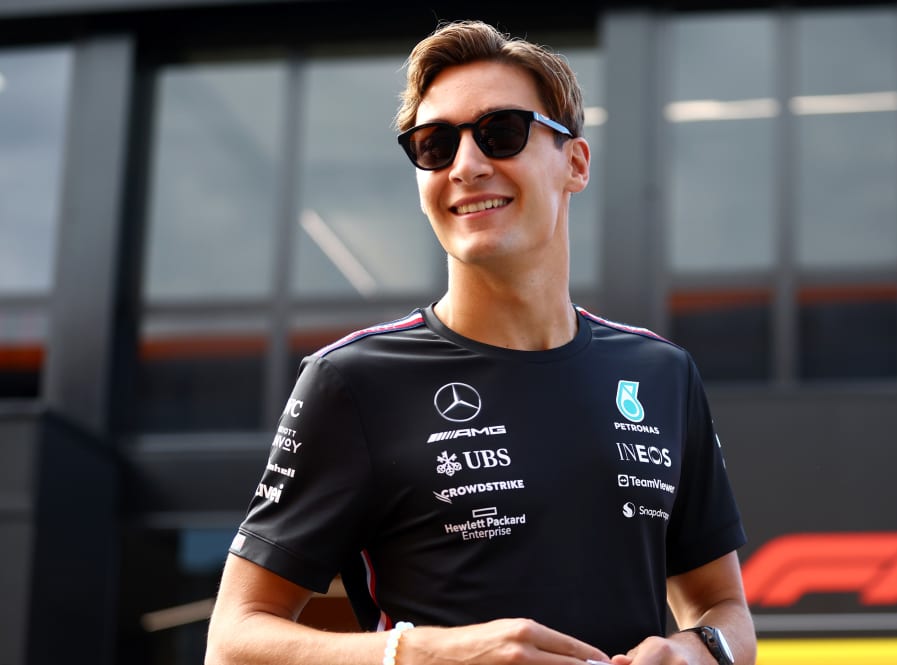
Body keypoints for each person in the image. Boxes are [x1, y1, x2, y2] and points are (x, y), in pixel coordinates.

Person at [205, 18, 756, 665]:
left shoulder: (661, 373)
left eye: (500, 132)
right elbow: (233, 639)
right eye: (434, 145)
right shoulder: (352, 379)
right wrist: (420, 653)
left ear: (574, 161)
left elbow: (722, 608)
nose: (466, 165)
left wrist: (689, 654)